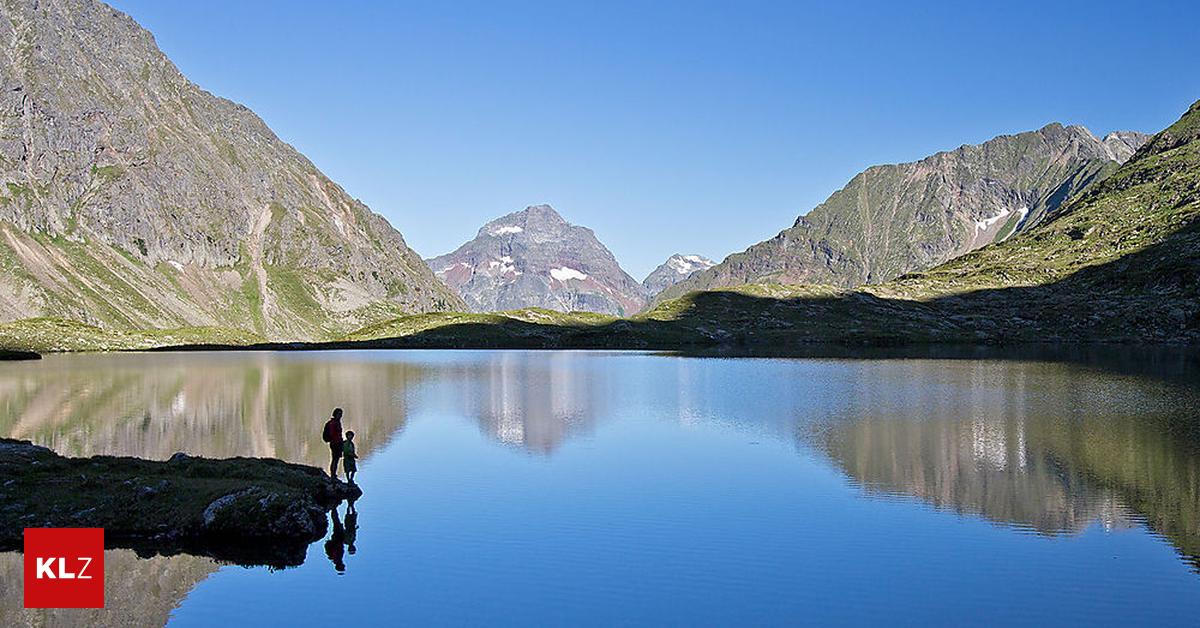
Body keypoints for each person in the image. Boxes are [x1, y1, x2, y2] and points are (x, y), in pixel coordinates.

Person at [322, 408, 345, 480]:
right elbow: (332, 434)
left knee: (336, 459)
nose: (340, 415)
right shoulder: (333, 423)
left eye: (341, 414)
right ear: (335, 414)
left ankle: (334, 474)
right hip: (335, 443)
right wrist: (337, 440)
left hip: (337, 442)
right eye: (339, 414)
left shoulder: (337, 422)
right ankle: (333, 474)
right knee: (335, 459)